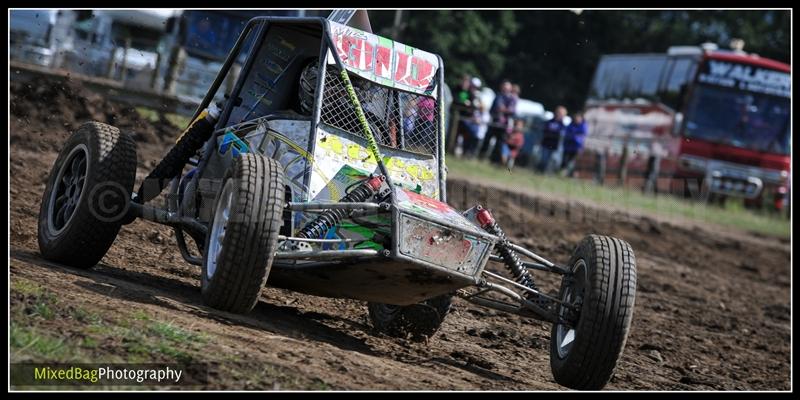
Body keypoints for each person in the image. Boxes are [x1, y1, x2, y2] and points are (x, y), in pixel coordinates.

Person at [478, 80, 515, 162]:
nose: (505, 89)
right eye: (504, 87)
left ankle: (495, 161)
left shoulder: (512, 99)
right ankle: (481, 157)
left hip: (503, 126)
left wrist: (504, 110)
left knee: (499, 143)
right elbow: (493, 109)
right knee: (487, 140)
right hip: (494, 122)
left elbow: (512, 111)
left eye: (507, 88)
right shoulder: (498, 96)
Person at [537, 105, 567, 173]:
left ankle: (548, 173)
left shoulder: (563, 126)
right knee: (543, 160)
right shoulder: (549, 122)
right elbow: (544, 131)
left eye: (562, 114)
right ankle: (540, 172)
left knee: (552, 161)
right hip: (546, 144)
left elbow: (562, 136)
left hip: (555, 146)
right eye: (559, 113)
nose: (560, 115)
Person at [560, 111, 587, 177]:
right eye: (576, 118)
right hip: (567, 146)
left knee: (572, 162)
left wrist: (574, 137)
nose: (577, 119)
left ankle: (570, 174)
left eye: (578, 118)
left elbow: (582, 136)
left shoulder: (583, 126)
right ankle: (562, 173)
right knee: (564, 161)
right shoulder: (570, 125)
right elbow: (566, 133)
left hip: (576, 148)